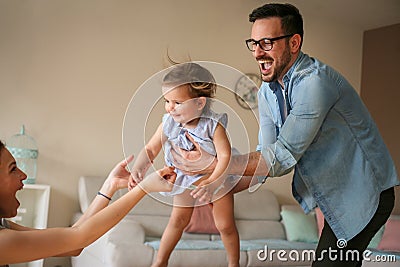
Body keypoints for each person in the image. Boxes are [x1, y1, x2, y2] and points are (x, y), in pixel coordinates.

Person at [172, 3, 399, 267]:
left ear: (294, 43)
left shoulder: (315, 84)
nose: (257, 52)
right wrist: (211, 183)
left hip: (367, 190)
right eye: (253, 43)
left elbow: (283, 155)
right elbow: (265, 161)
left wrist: (214, 163)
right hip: (336, 196)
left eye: (266, 43)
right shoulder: (266, 93)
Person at [128, 62, 240, 267]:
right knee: (178, 220)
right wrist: (139, 168)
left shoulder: (213, 125)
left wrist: (214, 182)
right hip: (184, 177)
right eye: (167, 101)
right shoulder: (168, 122)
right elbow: (151, 148)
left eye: (177, 102)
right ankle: (160, 262)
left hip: (215, 177)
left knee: (224, 224)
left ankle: (234, 264)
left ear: (199, 103)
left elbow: (225, 157)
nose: (170, 107)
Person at [0, 140, 176, 266]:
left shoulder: (4, 227)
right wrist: (144, 188)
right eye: (13, 169)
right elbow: (79, 237)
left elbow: (72, 244)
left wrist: (110, 186)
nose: (23, 175)